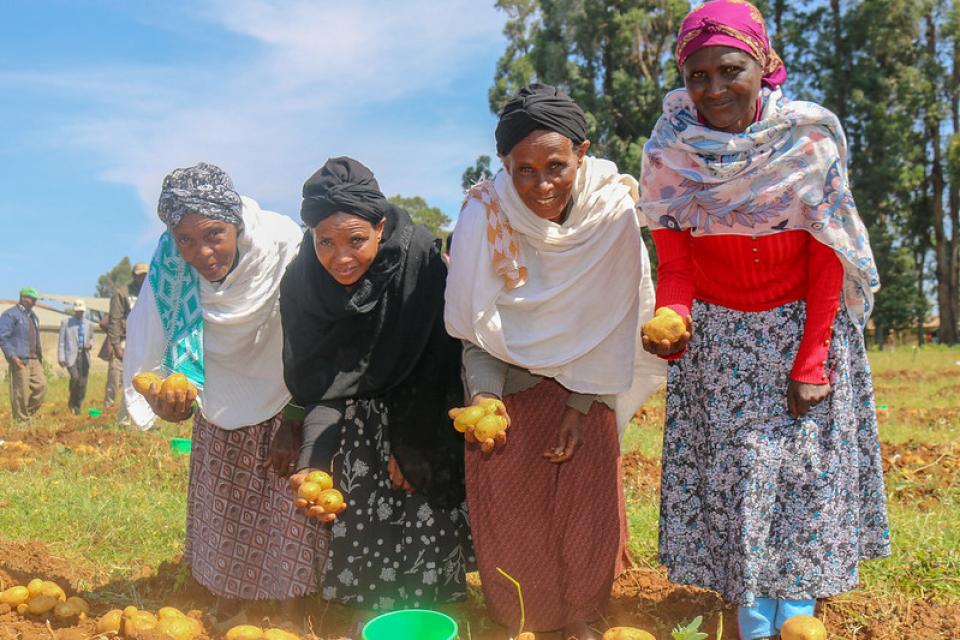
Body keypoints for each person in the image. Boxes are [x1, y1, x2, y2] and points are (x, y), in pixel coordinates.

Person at [638, 2, 890, 639]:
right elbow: (676, 262)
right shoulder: (671, 152)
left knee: (804, 472)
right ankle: (751, 610)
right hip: (720, 337)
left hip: (804, 323)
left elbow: (827, 255)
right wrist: (672, 318)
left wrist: (812, 358)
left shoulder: (807, 141)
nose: (715, 89)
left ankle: (798, 606)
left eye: (730, 70)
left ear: (763, 64)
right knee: (740, 476)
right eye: (698, 76)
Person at [444, 84, 665, 640]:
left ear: (582, 152)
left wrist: (581, 399)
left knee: (585, 513)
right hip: (507, 394)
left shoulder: (612, 210)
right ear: (503, 164)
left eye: (556, 166)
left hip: (587, 385)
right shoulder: (482, 215)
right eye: (524, 170)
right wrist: (484, 397)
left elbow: (615, 316)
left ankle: (583, 616)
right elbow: (474, 332)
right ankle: (526, 620)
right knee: (512, 516)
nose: (541, 185)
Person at [122, 163, 321, 624]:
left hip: (283, 394)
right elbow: (153, 339)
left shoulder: (282, 245)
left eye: (213, 234)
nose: (201, 252)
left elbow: (315, 332)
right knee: (227, 509)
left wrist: (296, 414)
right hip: (217, 397)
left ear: (234, 221)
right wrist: (162, 395)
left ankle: (291, 610)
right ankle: (230, 598)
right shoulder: (171, 265)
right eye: (186, 240)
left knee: (282, 507)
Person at [279, 157, 473, 612]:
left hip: (422, 409)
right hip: (353, 424)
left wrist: (413, 446)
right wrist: (314, 462)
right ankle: (367, 616)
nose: (340, 257)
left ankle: (436, 614)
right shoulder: (303, 282)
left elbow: (440, 361)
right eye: (324, 242)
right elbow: (321, 381)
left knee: (422, 515)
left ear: (380, 226)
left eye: (356, 240)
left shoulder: (420, 261)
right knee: (362, 526)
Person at [105, 261, 148, 425]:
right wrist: (116, 345)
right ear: (133, 276)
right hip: (126, 340)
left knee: (141, 380)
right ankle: (119, 417)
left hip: (144, 341)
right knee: (119, 380)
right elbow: (114, 319)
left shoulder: (151, 293)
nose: (142, 279)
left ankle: (140, 419)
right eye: (139, 276)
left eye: (145, 275)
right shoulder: (122, 293)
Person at [0, 287, 47, 422]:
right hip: (20, 358)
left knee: (41, 387)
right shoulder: (10, 315)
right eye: (31, 299)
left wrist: (39, 357)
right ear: (23, 298)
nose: (34, 302)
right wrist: (13, 357)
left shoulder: (33, 317)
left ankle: (26, 415)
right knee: (21, 392)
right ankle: (21, 421)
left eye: (35, 300)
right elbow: (3, 337)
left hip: (34, 359)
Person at [58, 300, 94, 415]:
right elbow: (61, 341)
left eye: (81, 311)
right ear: (74, 311)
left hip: (84, 356)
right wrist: (61, 357)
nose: (79, 313)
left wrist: (90, 344)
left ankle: (77, 405)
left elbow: (92, 338)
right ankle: (71, 401)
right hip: (71, 356)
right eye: (77, 311)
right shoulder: (66, 323)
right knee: (75, 378)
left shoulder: (89, 324)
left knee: (83, 383)